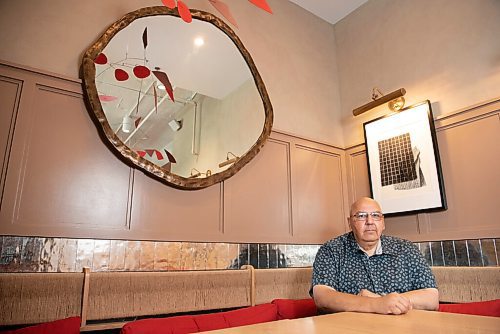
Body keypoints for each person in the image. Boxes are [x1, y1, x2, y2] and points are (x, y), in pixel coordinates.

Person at [311, 197, 439, 315]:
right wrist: (376, 304)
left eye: (376, 215)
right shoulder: (331, 250)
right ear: (350, 222)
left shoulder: (406, 249)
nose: (370, 221)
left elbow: (431, 298)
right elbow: (323, 297)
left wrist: (384, 301)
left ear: (383, 222)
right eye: (361, 216)